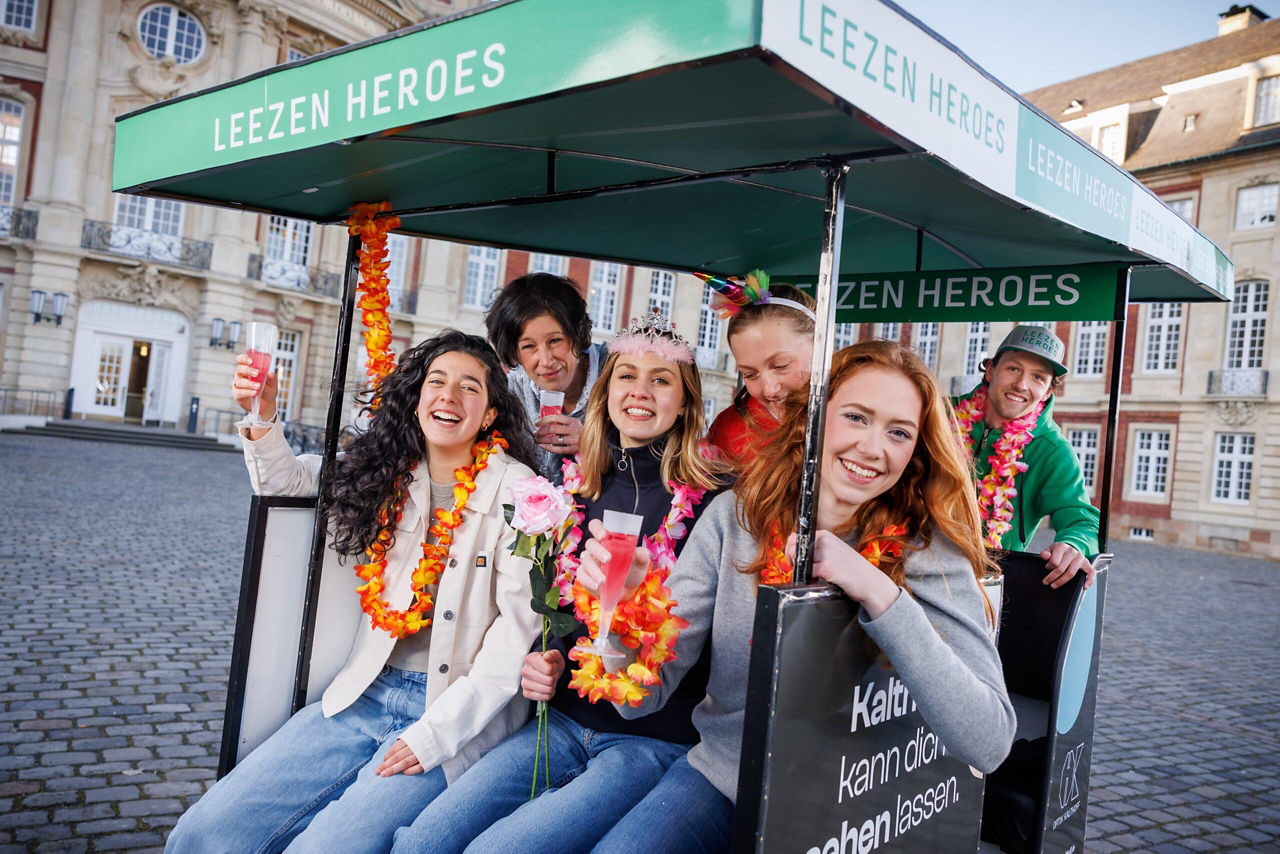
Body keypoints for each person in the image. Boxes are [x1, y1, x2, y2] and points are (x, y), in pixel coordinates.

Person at [587, 340, 1016, 852]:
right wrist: (623, 613)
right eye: (856, 417)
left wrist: (879, 593)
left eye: (898, 432)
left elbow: (988, 742)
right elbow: (641, 700)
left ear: (916, 451)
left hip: (856, 808)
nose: (873, 448)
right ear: (815, 419)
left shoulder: (929, 551)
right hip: (727, 778)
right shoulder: (734, 519)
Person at [166, 331, 542, 854]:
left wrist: (435, 735)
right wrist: (262, 414)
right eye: (436, 381)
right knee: (203, 832)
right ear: (415, 400)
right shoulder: (387, 470)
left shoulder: (523, 494)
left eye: (469, 387)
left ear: (490, 415)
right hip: (364, 694)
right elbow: (287, 485)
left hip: (451, 713)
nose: (448, 396)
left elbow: (515, 636)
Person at [391, 311, 729, 854]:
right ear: (606, 390)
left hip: (648, 738)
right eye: (626, 376)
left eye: (660, 380)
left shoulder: (716, 501)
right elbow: (554, 610)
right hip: (562, 720)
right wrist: (544, 656)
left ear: (686, 401)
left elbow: (711, 638)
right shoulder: (572, 486)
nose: (640, 391)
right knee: (424, 839)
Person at [952, 325, 1101, 589]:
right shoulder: (941, 414)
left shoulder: (1052, 450)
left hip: (982, 584)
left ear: (1047, 392)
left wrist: (1073, 545)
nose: (1021, 384)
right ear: (990, 370)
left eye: (1038, 378)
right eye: (1013, 369)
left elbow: (1083, 520)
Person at [486, 272, 608, 482]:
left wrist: (596, 443)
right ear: (514, 352)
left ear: (577, 335)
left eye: (555, 341)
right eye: (529, 346)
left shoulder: (619, 374)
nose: (546, 360)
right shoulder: (510, 393)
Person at [702, 271, 817, 467]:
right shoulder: (729, 430)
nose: (769, 389)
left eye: (781, 366)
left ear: (821, 345)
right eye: (750, 374)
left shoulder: (851, 419)